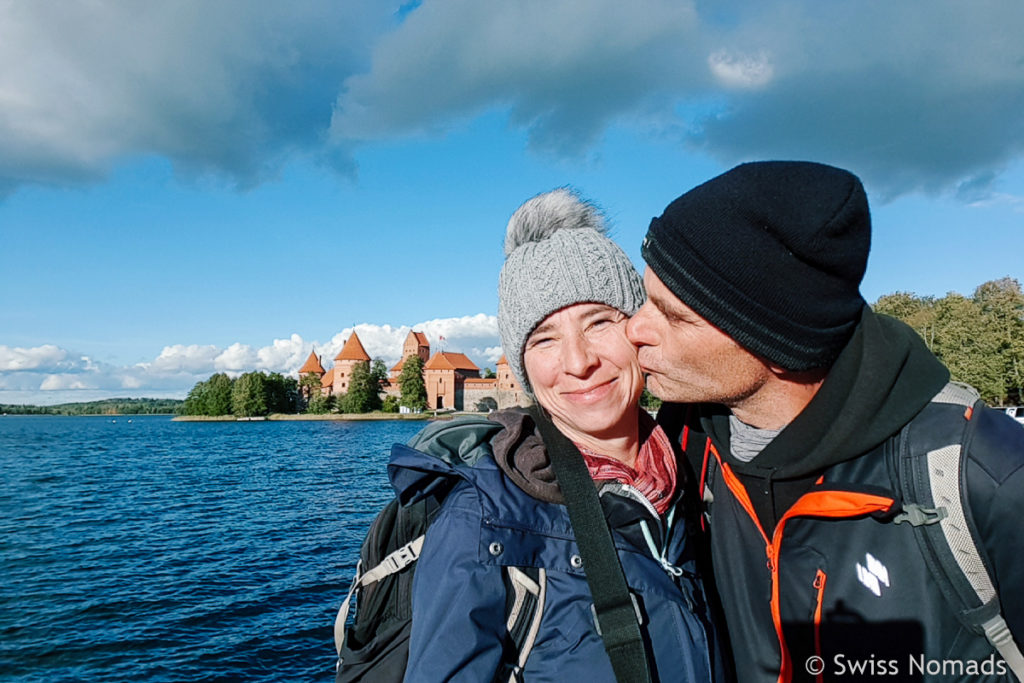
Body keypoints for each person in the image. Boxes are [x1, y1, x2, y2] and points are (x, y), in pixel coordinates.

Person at [625, 160, 1024, 682]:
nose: (634, 329)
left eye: (674, 316)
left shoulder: (984, 471)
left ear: (777, 344)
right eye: (644, 300)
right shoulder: (681, 443)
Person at [391, 188, 724, 681]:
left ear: (639, 331)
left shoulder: (706, 471)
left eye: (599, 322)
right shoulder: (480, 522)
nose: (578, 361)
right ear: (522, 367)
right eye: (544, 338)